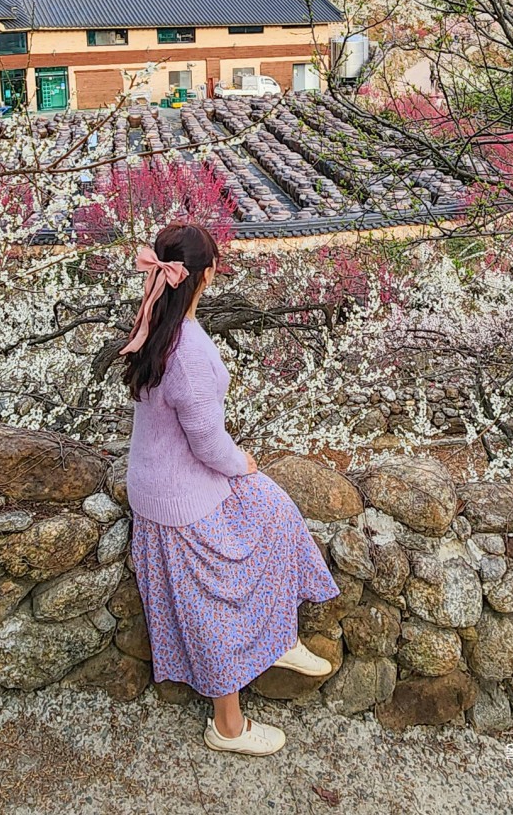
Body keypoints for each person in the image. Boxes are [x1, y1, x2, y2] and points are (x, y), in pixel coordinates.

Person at [121, 222, 340, 756]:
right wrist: (241, 460)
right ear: (207, 275)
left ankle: (278, 638)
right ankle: (228, 725)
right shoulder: (187, 350)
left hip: (163, 483)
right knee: (216, 593)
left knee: (274, 510)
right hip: (178, 498)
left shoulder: (157, 323)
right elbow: (206, 442)